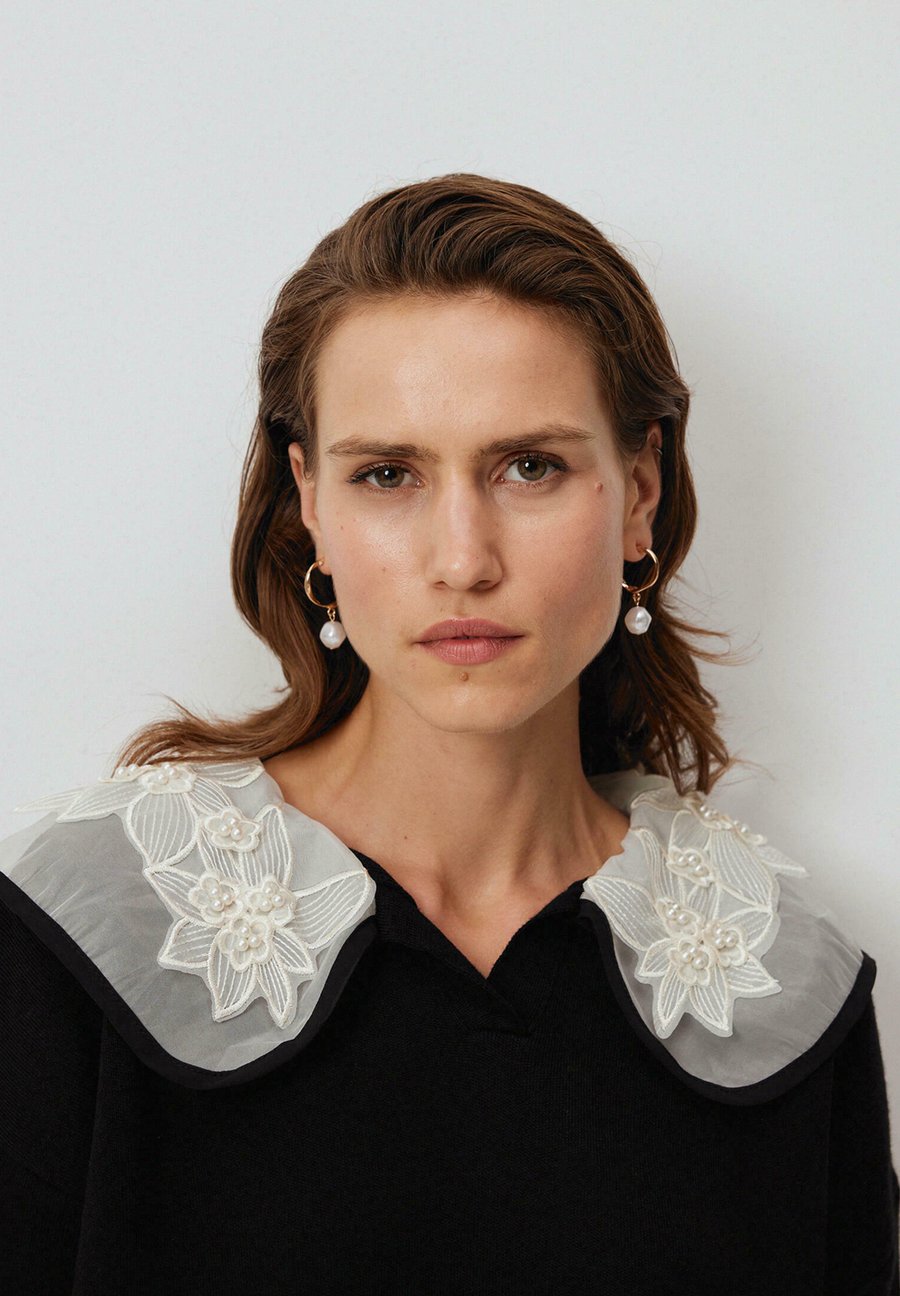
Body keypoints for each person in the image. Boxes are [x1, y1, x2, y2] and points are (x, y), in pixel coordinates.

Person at [1, 173, 897, 1295]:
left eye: (531, 467)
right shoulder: (79, 937)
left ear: (640, 491)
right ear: (309, 501)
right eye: (388, 474)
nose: (463, 558)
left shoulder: (782, 987)